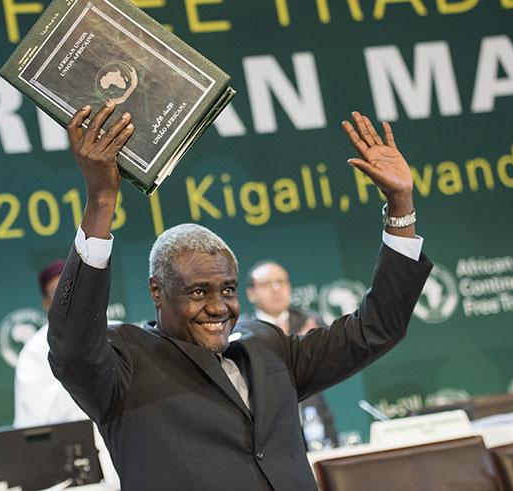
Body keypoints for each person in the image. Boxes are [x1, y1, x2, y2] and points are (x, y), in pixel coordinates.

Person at [46, 101, 432, 489]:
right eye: (199, 292)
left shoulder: (267, 345)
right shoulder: (126, 362)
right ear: (157, 292)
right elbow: (73, 345)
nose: (217, 307)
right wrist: (100, 199)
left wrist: (400, 208)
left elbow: (375, 328)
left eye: (227, 290)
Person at [14, 260, 120, 489]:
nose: (71, 298)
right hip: (74, 472)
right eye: (60, 293)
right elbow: (33, 426)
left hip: (129, 455)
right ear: (46, 303)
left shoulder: (118, 331)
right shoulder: (35, 352)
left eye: (77, 289)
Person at [244, 265, 338, 449]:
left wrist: (313, 346)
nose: (276, 289)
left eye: (281, 282)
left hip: (317, 422)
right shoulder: (243, 332)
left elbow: (332, 367)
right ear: (251, 294)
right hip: (271, 431)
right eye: (266, 284)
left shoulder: (311, 322)